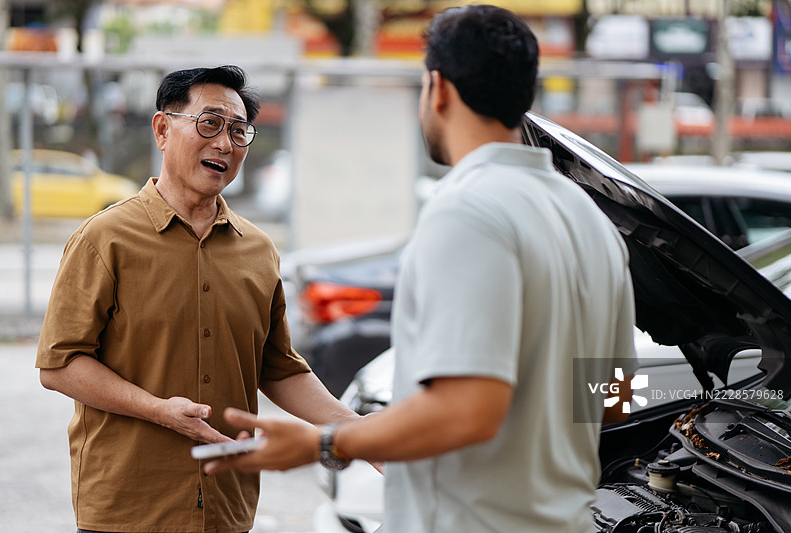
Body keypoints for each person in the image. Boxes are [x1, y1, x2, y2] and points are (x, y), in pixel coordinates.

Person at [205, 5, 637, 533]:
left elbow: (468, 409)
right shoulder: (590, 222)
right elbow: (615, 400)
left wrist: (323, 441)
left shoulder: (468, 209)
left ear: (438, 88)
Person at [36, 65, 359, 533]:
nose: (225, 144)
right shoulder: (103, 239)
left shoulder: (259, 250)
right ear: (163, 129)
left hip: (227, 509)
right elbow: (59, 364)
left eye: (238, 131)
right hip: (126, 509)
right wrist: (157, 409)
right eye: (208, 124)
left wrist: (357, 429)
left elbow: (279, 368)